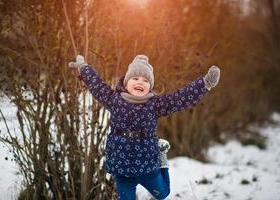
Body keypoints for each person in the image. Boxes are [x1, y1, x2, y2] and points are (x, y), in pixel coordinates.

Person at [69, 55, 220, 200]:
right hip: (122, 167)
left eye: (145, 80)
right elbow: (97, 86)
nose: (140, 82)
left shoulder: (155, 104)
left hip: (147, 165)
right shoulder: (114, 100)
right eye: (135, 78)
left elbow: (180, 98)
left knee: (163, 194)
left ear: (150, 86)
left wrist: (205, 83)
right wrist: (84, 67)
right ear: (126, 83)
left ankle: (162, 158)